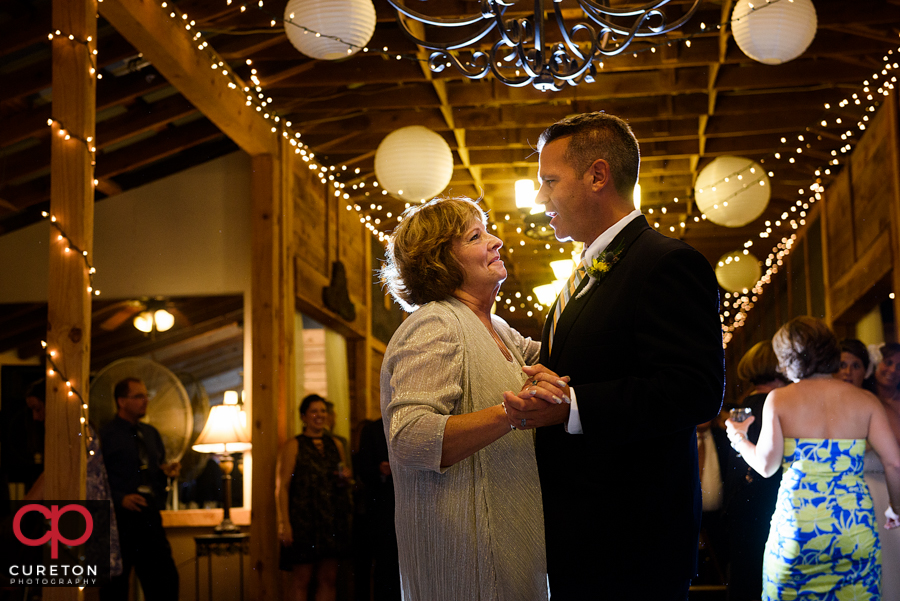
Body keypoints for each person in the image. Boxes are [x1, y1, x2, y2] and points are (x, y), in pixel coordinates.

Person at [501, 112, 724, 600]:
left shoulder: (665, 262)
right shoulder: (590, 266)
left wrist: (572, 406)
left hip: (632, 540)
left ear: (598, 175)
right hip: (584, 533)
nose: (540, 198)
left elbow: (696, 390)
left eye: (549, 181)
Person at [379, 196, 558, 600]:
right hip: (464, 563)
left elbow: (558, 356)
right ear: (441, 260)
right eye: (476, 236)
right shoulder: (434, 324)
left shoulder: (498, 328)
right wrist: (511, 415)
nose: (495, 241)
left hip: (510, 548)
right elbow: (408, 437)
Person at [726, 317, 900, 601]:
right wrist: (896, 508)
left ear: (786, 358)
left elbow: (766, 467)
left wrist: (738, 438)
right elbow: (895, 463)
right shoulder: (866, 401)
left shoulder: (779, 400)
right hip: (854, 530)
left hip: (797, 531)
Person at [99, 377, 180, 601]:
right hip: (118, 521)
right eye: (139, 396)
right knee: (115, 589)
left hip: (149, 517)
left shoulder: (151, 434)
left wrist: (166, 472)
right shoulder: (105, 436)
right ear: (121, 401)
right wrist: (119, 498)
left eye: (146, 395)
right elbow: (95, 478)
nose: (145, 401)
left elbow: (153, 471)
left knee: (165, 582)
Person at [723, 341, 786, 601]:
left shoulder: (742, 406)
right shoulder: (778, 406)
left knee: (744, 578)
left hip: (740, 505)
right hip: (769, 502)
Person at [276, 394, 353, 601]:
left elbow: (342, 481)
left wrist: (345, 476)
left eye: (323, 411)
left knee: (328, 579)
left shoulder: (335, 444)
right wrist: (284, 523)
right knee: (302, 580)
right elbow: (282, 487)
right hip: (303, 521)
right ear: (304, 416)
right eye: (314, 411)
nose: (319, 415)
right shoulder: (294, 445)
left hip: (330, 521)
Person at [862, 342, 900, 601]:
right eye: (888, 362)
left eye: (899, 366)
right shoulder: (865, 402)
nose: (893, 370)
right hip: (882, 491)